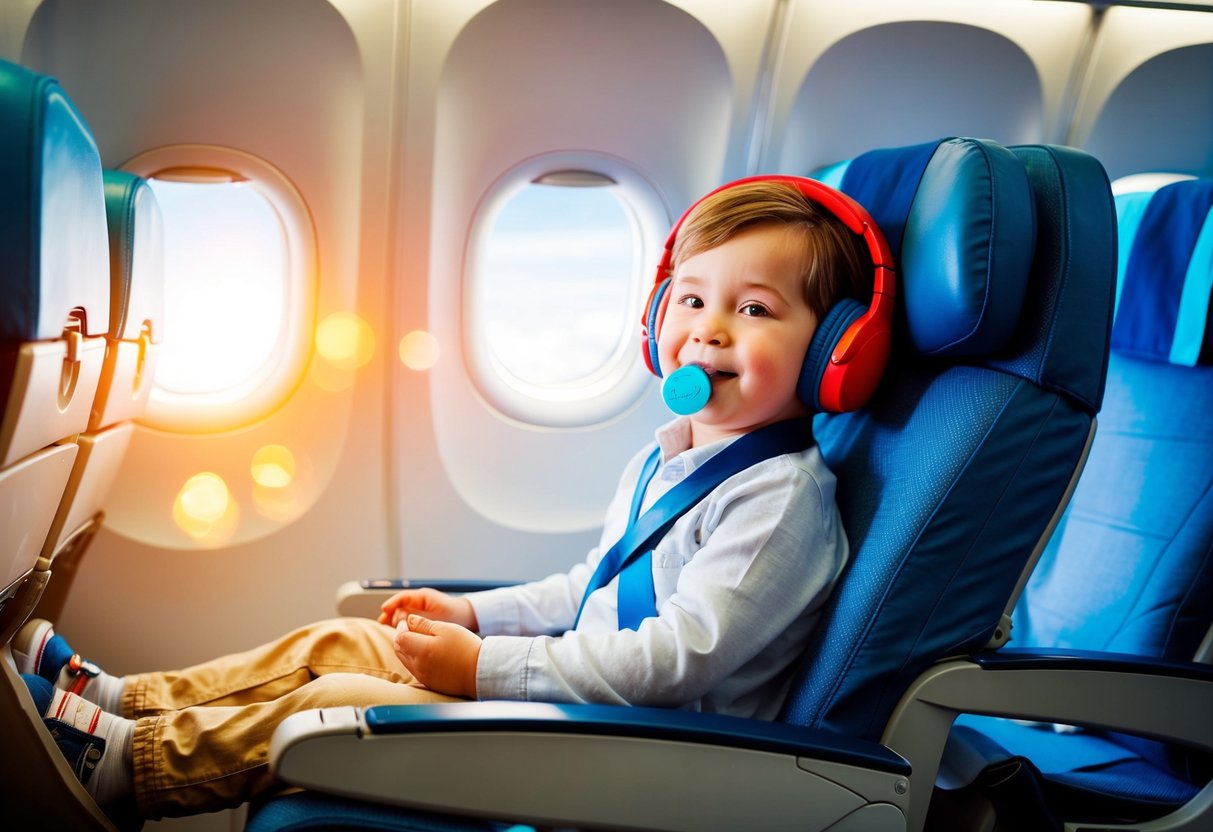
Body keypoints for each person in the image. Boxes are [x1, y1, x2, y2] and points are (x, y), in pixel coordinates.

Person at [13, 178, 871, 819]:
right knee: (340, 639)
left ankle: (131, 766)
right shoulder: (677, 455)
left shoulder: (779, 501)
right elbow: (587, 590)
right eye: (690, 299)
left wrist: (484, 668)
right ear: (657, 318)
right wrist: (475, 618)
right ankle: (127, 701)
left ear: (833, 348)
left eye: (753, 309)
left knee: (329, 708)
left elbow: (674, 663)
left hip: (649, 750)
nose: (709, 329)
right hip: (579, 699)